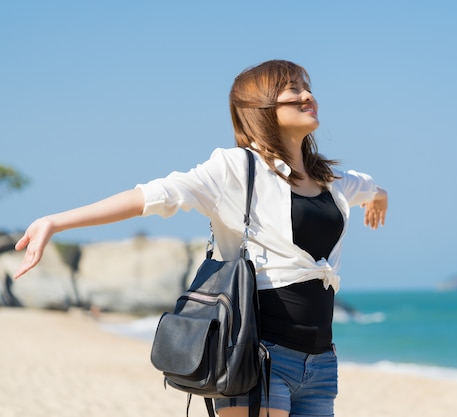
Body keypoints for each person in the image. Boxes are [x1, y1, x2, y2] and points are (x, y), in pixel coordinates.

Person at [14, 59, 388, 417]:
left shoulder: (330, 180)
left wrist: (379, 199)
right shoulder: (236, 169)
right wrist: (56, 221)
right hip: (258, 356)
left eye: (308, 88)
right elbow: (153, 195)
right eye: (293, 90)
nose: (307, 96)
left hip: (321, 363)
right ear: (260, 108)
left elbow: (371, 187)